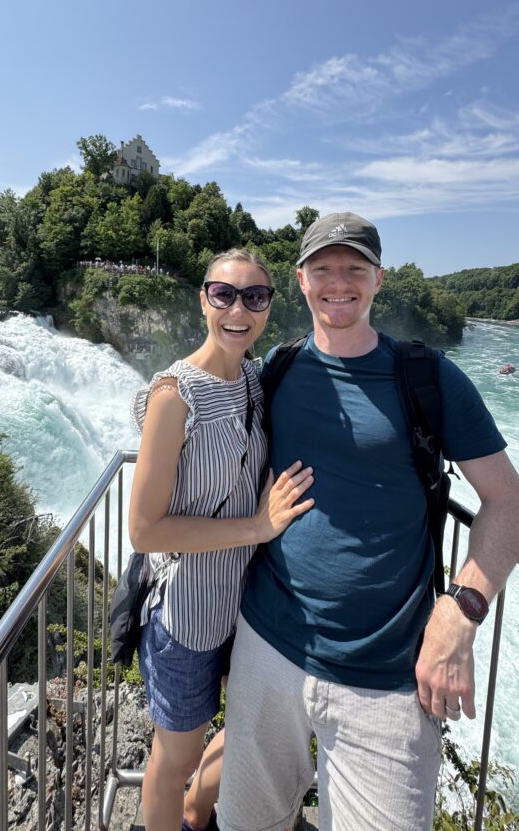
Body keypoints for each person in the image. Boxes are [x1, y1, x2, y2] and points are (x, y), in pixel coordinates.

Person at [217, 212, 519, 831]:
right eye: (323, 268)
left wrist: (461, 611)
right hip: (268, 643)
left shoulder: (428, 377)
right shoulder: (276, 366)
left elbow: (509, 501)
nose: (339, 282)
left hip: (388, 675)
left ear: (378, 279)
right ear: (300, 280)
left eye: (355, 268)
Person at [128, 248, 315, 831]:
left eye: (255, 297)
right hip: (187, 616)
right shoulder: (172, 395)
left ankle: (197, 811)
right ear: (203, 299)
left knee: (254, 729)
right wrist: (258, 527)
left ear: (269, 308)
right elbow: (143, 529)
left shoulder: (256, 383)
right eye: (224, 294)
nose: (239, 309)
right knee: (175, 758)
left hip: (250, 608)